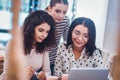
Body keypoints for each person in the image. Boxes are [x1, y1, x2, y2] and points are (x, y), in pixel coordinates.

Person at [0, 10, 55, 80]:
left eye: (47, 32)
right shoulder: (13, 44)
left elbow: (47, 72)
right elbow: (6, 75)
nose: (44, 35)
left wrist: (44, 76)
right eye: (40, 30)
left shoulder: (43, 46)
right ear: (31, 28)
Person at [46, 0, 70, 75]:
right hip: (37, 59)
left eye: (64, 12)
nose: (61, 16)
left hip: (52, 60)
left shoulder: (65, 20)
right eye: (57, 11)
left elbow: (68, 41)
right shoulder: (40, 17)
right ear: (49, 8)